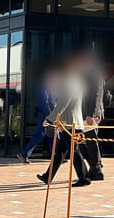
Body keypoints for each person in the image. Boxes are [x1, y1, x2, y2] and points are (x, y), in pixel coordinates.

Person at [38, 55, 90, 187]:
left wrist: (50, 119)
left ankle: (84, 178)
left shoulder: (69, 82)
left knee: (73, 151)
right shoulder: (77, 81)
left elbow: (63, 103)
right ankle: (48, 176)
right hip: (72, 121)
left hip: (69, 122)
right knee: (61, 151)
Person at [78, 49, 107, 181]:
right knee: (83, 141)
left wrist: (91, 114)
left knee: (90, 141)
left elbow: (97, 95)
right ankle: (95, 166)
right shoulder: (85, 74)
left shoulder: (95, 74)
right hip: (85, 113)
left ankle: (96, 169)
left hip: (91, 114)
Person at [18, 69, 57, 162]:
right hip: (45, 114)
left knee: (51, 135)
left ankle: (56, 156)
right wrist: (50, 116)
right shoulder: (45, 86)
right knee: (43, 134)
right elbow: (44, 102)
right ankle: (24, 153)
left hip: (48, 114)